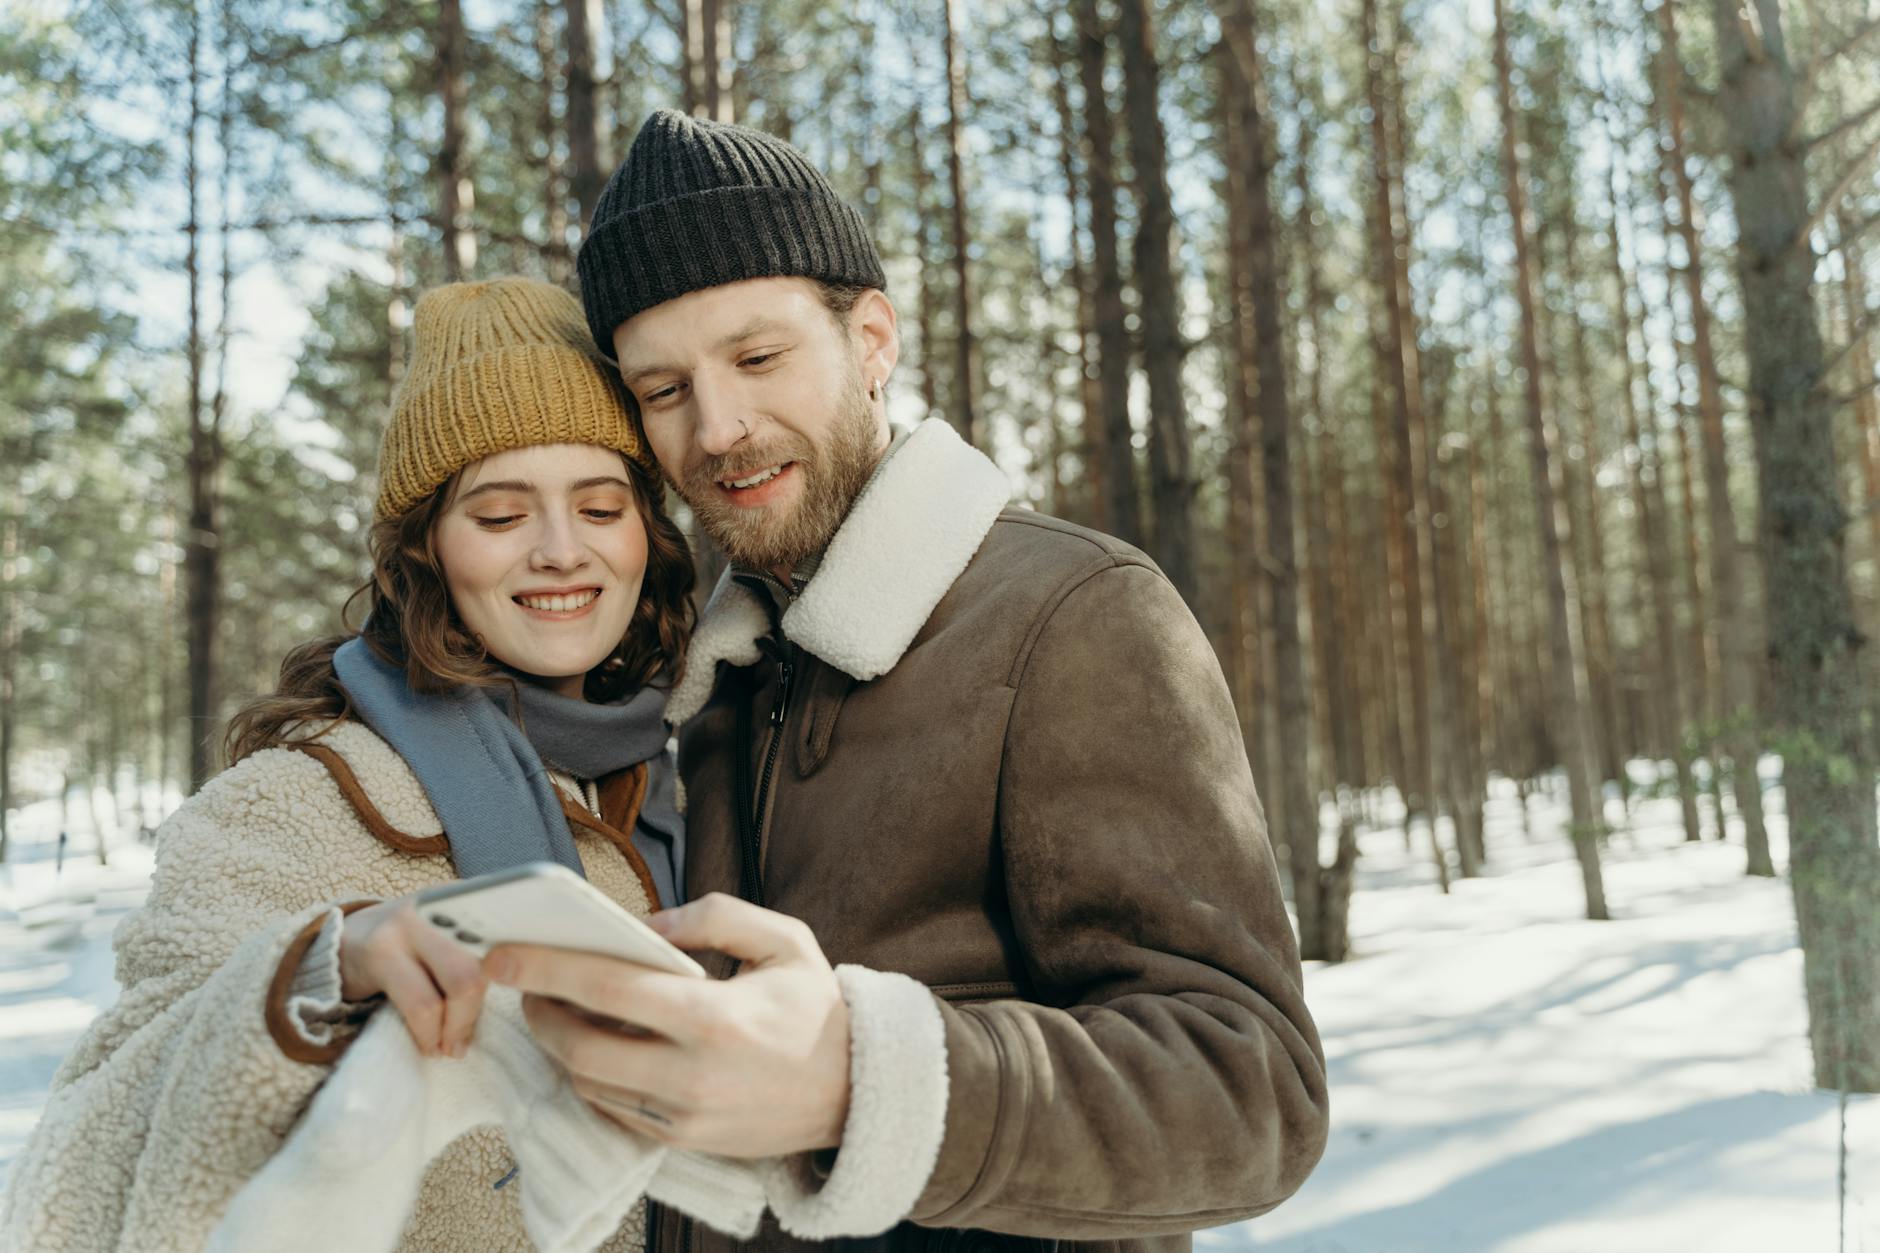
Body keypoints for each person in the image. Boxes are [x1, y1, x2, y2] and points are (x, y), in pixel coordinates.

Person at [481, 109, 1330, 1253]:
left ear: (871, 339)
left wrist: (857, 1078)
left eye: (758, 358)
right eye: (663, 388)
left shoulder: (1071, 614)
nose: (718, 427)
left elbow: (1250, 1094)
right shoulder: (699, 679)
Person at [0, 277, 702, 1251]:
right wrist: (321, 972)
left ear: (646, 535)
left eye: (599, 506)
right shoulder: (291, 802)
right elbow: (88, 1155)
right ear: (424, 551)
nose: (559, 550)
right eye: (500, 515)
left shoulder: (688, 780)